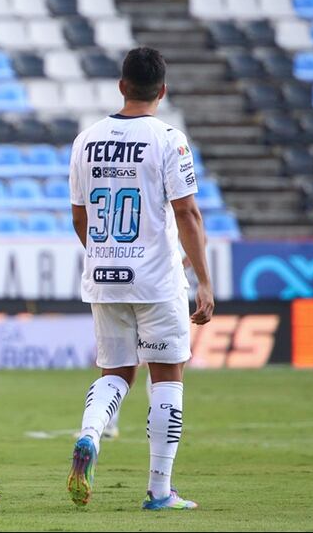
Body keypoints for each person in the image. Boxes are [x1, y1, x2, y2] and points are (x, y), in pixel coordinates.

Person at [65, 47, 214, 511]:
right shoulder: (169, 138)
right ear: (162, 91)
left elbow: (78, 215)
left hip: (105, 275)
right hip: (157, 280)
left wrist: (105, 255)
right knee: (167, 375)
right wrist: (204, 280)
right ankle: (159, 489)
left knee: (116, 373)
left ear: (122, 85)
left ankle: (90, 433)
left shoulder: (86, 140)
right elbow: (186, 211)